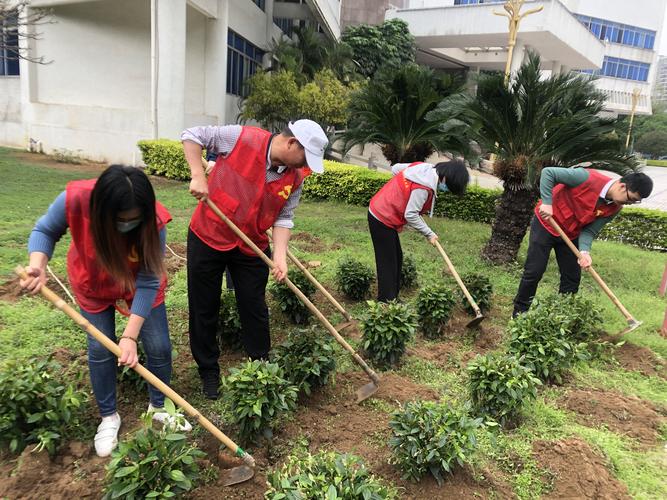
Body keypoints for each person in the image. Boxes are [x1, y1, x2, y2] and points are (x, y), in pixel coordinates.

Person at [19, 165, 190, 458]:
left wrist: (130, 336)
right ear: (102, 212)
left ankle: (159, 407)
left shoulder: (154, 221)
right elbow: (45, 229)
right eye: (122, 220)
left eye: (135, 219)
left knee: (159, 345)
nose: (129, 225)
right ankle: (109, 417)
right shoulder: (75, 200)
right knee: (99, 350)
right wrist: (38, 264)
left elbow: (149, 280)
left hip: (139, 285)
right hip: (93, 283)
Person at [181, 119, 328, 399]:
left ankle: (261, 366)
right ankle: (208, 371)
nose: (305, 164)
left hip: (251, 246)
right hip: (209, 234)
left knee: (254, 307)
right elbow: (192, 135)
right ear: (292, 143)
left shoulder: (295, 178)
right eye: (305, 157)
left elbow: (284, 217)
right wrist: (198, 173)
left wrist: (280, 257)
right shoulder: (241, 138)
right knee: (204, 307)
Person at [512, 167, 654, 316]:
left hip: (571, 234)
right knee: (534, 271)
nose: (630, 203)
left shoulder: (615, 208)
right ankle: (519, 313)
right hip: (546, 224)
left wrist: (584, 252)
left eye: (635, 202)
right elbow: (548, 173)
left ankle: (560, 317)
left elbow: (589, 231)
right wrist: (547, 203)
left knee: (572, 278)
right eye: (631, 198)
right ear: (622, 186)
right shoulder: (586, 177)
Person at [368, 160, 470, 302]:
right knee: (388, 262)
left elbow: (396, 169)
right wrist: (428, 233)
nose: (446, 190)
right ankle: (386, 302)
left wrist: (400, 193)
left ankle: (392, 299)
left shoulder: (423, 167)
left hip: (382, 211)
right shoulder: (424, 187)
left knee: (397, 258)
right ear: (446, 178)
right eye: (449, 187)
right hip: (381, 217)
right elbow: (410, 214)